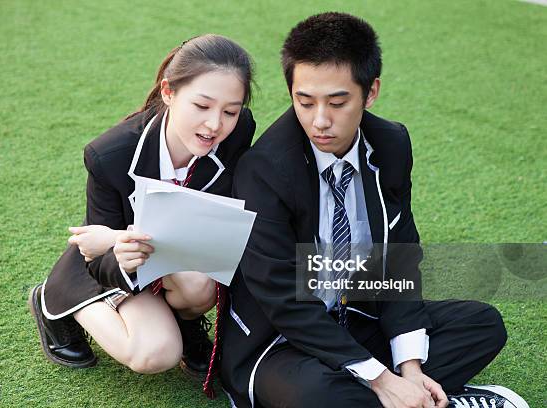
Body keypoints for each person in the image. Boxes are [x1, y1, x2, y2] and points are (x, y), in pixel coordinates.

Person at [219, 13, 528, 408]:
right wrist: (382, 378)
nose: (320, 121)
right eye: (304, 101)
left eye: (338, 101)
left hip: (359, 317)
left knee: (482, 325)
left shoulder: (391, 144)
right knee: (317, 396)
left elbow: (397, 259)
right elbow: (281, 298)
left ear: (371, 92)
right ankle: (439, 400)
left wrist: (411, 369)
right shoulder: (265, 167)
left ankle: (409, 393)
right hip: (281, 342)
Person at [27, 34, 255, 394]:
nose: (215, 124)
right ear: (169, 92)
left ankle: (184, 322)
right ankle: (52, 300)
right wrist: (119, 243)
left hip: (172, 260)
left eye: (230, 110)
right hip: (110, 265)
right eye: (202, 105)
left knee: (200, 287)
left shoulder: (239, 130)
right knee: (154, 354)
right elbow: (98, 261)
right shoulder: (109, 154)